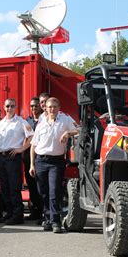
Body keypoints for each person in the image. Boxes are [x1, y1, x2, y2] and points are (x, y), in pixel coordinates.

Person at [29, 97, 78, 233]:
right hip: (40, 161)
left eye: (54, 106)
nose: (52, 109)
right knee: (43, 192)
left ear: (59, 107)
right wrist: (32, 165)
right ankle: (47, 219)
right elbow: (33, 145)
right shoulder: (41, 122)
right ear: (45, 108)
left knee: (54, 191)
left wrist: (68, 133)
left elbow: (79, 130)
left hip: (56, 161)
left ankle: (56, 221)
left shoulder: (65, 120)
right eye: (49, 107)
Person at [0, 98, 34, 225]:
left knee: (14, 188)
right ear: (3, 108)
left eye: (12, 106)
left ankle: (17, 215)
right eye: (7, 106)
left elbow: (31, 137)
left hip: (13, 157)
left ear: (15, 107)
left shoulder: (21, 122)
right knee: (5, 188)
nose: (9, 108)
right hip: (2, 157)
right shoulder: (1, 123)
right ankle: (9, 213)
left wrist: (20, 149)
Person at [23, 97, 44, 223]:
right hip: (28, 157)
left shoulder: (44, 120)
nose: (33, 108)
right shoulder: (27, 121)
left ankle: (43, 213)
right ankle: (34, 211)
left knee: (41, 186)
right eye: (31, 106)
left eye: (36, 105)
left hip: (41, 157)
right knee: (31, 186)